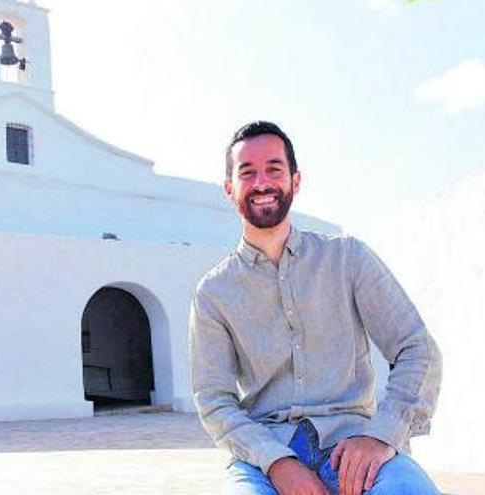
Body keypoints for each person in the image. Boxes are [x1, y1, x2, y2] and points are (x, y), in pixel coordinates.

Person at [189, 121, 442, 495]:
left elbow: (416, 348)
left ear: (296, 180)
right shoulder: (213, 292)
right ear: (230, 189)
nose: (262, 182)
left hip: (357, 446)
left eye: (274, 169)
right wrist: (277, 462)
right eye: (247, 172)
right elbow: (213, 401)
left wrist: (382, 436)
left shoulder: (348, 258)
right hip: (265, 458)